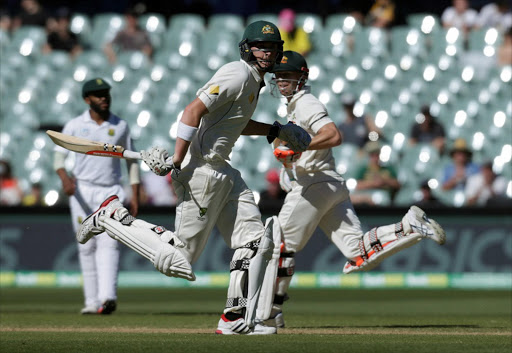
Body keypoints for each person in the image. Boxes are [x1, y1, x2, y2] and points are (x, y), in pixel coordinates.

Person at [75, 21, 311, 335]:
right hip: (200, 172)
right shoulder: (237, 73)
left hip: (223, 171)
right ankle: (112, 217)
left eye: (270, 47)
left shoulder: (253, 81)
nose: (266, 53)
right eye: (260, 47)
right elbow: (192, 111)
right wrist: (176, 159)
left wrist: (275, 130)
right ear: (247, 48)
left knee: (253, 243)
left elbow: (234, 122)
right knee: (179, 262)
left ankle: (233, 319)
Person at [255, 51, 446, 331]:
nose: (282, 81)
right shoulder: (294, 107)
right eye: (279, 77)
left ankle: (269, 314)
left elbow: (333, 135)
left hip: (314, 185)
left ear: (302, 77)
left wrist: (298, 148)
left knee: (279, 246)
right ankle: (408, 227)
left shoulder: (306, 102)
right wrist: (290, 164)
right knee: (358, 253)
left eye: (288, 76)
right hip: (330, 184)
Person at [53, 78, 141, 315]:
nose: (103, 98)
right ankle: (92, 302)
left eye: (106, 94)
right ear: (86, 99)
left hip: (111, 190)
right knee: (86, 244)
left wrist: (135, 192)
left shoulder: (120, 125)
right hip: (83, 191)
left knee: (109, 243)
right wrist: (66, 180)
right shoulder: (74, 125)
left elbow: (131, 159)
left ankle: (107, 298)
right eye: (97, 94)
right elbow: (59, 158)